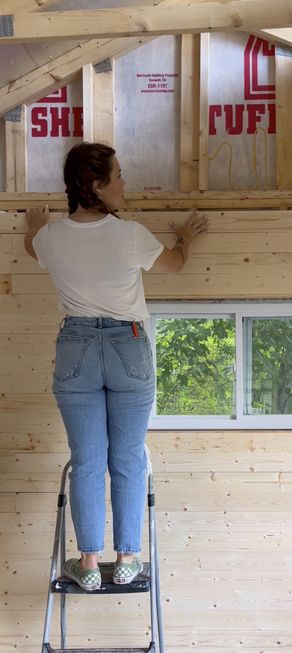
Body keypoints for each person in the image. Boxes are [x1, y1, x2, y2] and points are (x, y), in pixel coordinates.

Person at [24, 142, 208, 592]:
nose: (125, 184)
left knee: (87, 460)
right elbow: (176, 264)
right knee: (127, 457)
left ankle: (87, 564)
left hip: (77, 347)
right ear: (98, 186)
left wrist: (32, 226)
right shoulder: (130, 235)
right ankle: (127, 559)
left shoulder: (51, 239)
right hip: (127, 345)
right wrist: (185, 236)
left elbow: (33, 249)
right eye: (119, 177)